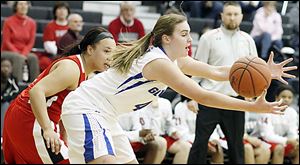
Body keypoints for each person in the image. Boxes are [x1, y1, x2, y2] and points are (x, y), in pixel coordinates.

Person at [60, 13, 296, 164]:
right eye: (184, 34)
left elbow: (216, 72)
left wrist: (264, 70)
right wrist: (252, 106)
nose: (189, 39)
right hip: (86, 108)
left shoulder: (175, 61)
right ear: (166, 39)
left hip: (105, 116)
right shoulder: (158, 63)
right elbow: (202, 95)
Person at [2, 28, 116, 164]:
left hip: (27, 115)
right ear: (90, 49)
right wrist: (48, 129)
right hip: (31, 118)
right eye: (107, 51)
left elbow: (64, 109)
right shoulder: (72, 69)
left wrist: (64, 138)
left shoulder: (84, 73)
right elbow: (36, 92)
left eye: (113, 53)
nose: (111, 57)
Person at [188, 2, 260, 163]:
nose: (232, 17)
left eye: (236, 14)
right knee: (200, 143)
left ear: (242, 16)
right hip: (210, 98)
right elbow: (197, 68)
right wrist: (192, 96)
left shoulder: (248, 40)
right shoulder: (209, 38)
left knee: (236, 146)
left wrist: (252, 94)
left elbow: (255, 72)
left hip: (235, 101)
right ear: (221, 15)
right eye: (229, 14)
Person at [256, 85, 299, 164]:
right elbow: (267, 136)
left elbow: (292, 132)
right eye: (283, 96)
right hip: (262, 140)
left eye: (289, 97)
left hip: (282, 140)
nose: (286, 99)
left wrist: (295, 141)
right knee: (279, 147)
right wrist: (288, 140)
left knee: (298, 146)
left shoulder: (292, 112)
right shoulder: (266, 110)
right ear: (277, 97)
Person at [1, 1, 40, 82]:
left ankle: (35, 84)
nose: (23, 6)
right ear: (16, 7)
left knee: (33, 58)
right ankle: (17, 86)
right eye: (21, 4)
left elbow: (31, 42)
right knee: (18, 58)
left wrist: (23, 53)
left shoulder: (32, 23)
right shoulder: (8, 21)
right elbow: (6, 41)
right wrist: (20, 54)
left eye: (25, 4)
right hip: (7, 51)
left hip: (23, 52)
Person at [40, 1, 70, 71]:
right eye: (59, 9)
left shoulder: (71, 26)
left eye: (64, 9)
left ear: (68, 12)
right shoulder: (50, 26)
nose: (62, 11)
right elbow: (48, 46)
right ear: (55, 12)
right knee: (44, 62)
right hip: (54, 55)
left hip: (69, 54)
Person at [1, 58, 20, 136]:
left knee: (5, 105)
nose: (5, 69)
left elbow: (16, 92)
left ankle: (2, 135)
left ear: (11, 68)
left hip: (5, 102)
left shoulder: (13, 79)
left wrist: (4, 98)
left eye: (8, 67)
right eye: (3, 66)